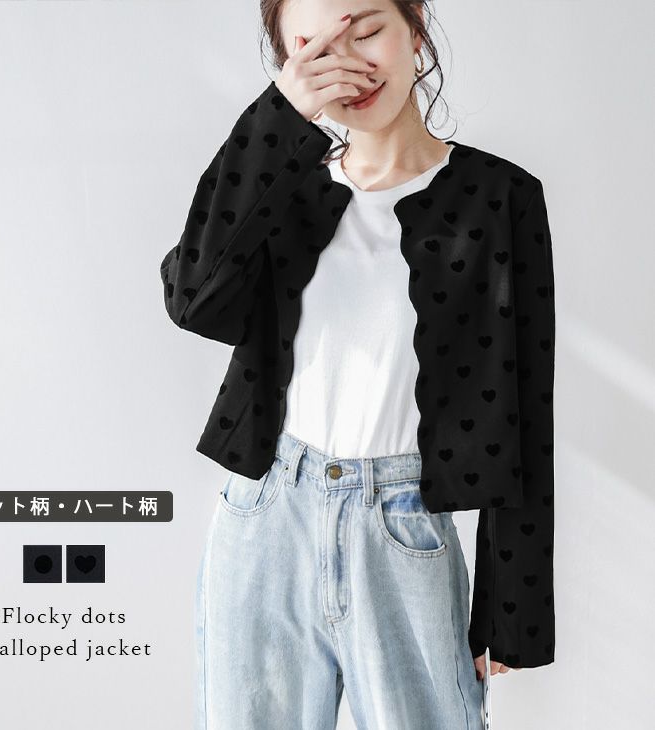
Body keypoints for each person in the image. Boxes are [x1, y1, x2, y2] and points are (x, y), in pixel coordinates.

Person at [160, 1, 556, 728]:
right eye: (314, 50)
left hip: (405, 529)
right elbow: (192, 299)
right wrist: (278, 120)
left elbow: (525, 401)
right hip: (264, 517)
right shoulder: (281, 185)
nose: (348, 65)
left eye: (367, 31)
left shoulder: (499, 198)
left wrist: (514, 602)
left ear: (416, 28)